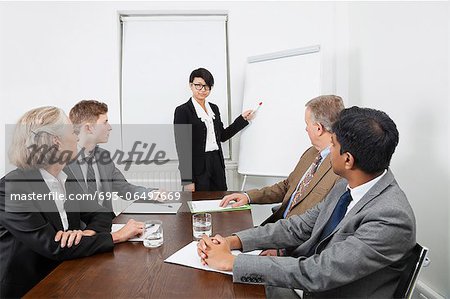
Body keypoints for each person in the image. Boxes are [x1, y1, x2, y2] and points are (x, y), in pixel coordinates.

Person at [198, 107, 416, 298]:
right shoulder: (346, 185)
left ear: (348, 159)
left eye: (333, 145)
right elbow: (298, 226)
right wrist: (232, 242)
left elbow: (320, 272)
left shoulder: (391, 217)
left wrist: (233, 262)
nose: (328, 152)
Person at [0, 107, 144, 298]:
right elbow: (53, 245)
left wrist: (87, 233)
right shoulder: (12, 187)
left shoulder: (64, 176)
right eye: (71, 130)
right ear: (55, 140)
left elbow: (100, 213)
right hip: (30, 287)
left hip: (68, 271)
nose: (77, 136)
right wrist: (116, 237)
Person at [220, 95, 344, 225]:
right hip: (279, 227)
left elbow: (318, 224)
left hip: (294, 238)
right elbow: (287, 186)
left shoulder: (340, 170)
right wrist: (248, 196)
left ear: (319, 128)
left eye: (307, 124)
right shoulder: (311, 153)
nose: (306, 129)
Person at [67, 100, 157, 215]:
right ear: (89, 128)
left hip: (106, 223)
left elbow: (125, 189)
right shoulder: (63, 162)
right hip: (79, 230)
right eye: (105, 122)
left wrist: (151, 193)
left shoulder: (103, 157)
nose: (109, 127)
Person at [174, 67, 254, 191]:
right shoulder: (182, 111)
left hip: (216, 162)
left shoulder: (214, 108)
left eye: (207, 86)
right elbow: (182, 148)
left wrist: (242, 119)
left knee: (220, 201)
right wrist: (187, 180)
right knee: (198, 204)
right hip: (198, 167)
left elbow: (222, 136)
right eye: (198, 85)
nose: (203, 90)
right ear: (191, 85)